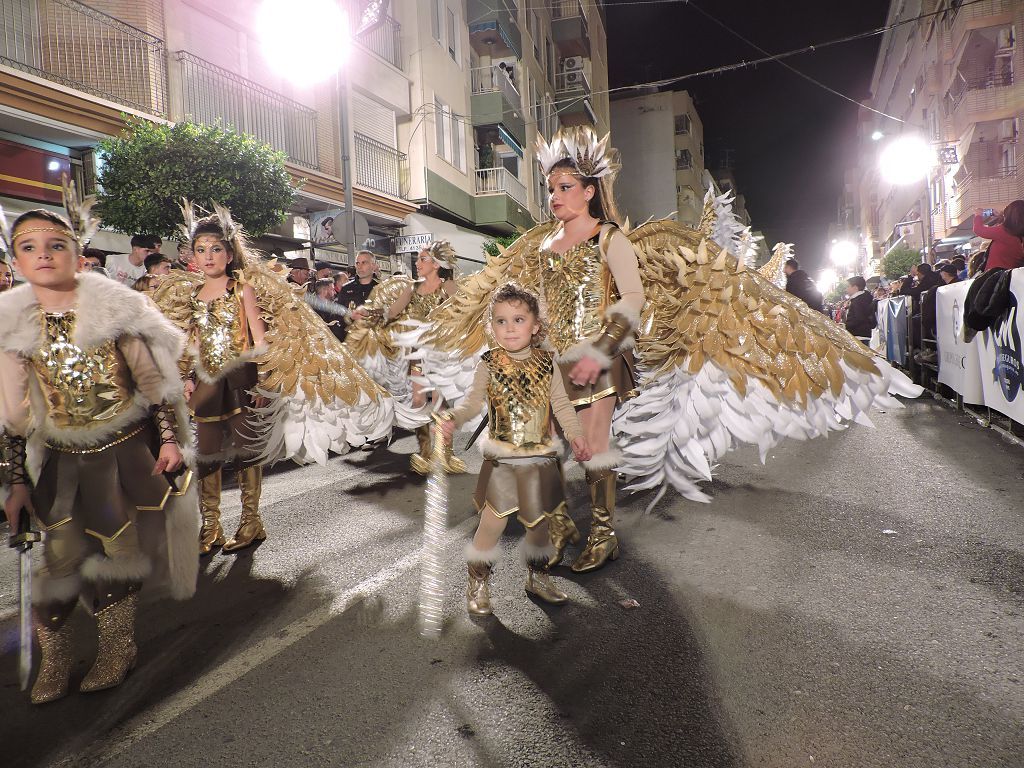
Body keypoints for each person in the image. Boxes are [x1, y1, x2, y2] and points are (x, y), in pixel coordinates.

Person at [421, 127, 922, 562]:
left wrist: (601, 350)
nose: (554, 195)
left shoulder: (608, 239)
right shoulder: (542, 243)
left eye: (565, 187)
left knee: (592, 448)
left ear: (590, 192)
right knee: (546, 447)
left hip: (599, 358)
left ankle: (602, 533)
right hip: (553, 361)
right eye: (551, 187)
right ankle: (559, 522)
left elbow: (634, 297)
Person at [0, 203, 197, 704]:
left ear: (77, 253)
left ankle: (117, 647)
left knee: (119, 549)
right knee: (59, 560)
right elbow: (11, 414)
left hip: (122, 450)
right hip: (62, 458)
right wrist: (16, 483)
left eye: (55, 245)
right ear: (15, 260)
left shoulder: (115, 310)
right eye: (29, 247)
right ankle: (57, 658)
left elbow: (154, 385)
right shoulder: (12, 326)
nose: (43, 255)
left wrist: (170, 439)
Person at [439, 284, 592, 614]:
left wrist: (576, 435)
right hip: (503, 461)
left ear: (535, 326)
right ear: (491, 326)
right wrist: (454, 417)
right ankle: (477, 581)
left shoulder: (548, 363)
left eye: (518, 320)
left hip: (540, 459)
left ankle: (537, 576)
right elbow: (472, 403)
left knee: (539, 526)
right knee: (491, 523)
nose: (509, 328)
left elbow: (562, 405)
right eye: (501, 321)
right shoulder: (489, 364)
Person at [371, 242, 461, 473]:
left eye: (422, 259)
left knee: (440, 402)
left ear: (436, 263)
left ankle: (446, 455)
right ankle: (425, 453)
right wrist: (372, 314)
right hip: (417, 354)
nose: (418, 263)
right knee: (418, 402)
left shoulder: (448, 286)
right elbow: (392, 312)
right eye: (418, 259)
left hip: (440, 353)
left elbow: (463, 313)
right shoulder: (412, 287)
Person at [973, 203, 1024, 271]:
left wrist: (978, 215)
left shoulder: (1004, 231)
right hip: (1013, 274)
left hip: (996, 274)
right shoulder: (1019, 234)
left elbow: (978, 230)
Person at [843, 276, 875, 343]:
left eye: (848, 286)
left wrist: (846, 326)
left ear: (855, 287)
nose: (846, 289)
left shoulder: (859, 300)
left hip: (859, 336)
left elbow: (859, 318)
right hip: (861, 335)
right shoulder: (862, 298)